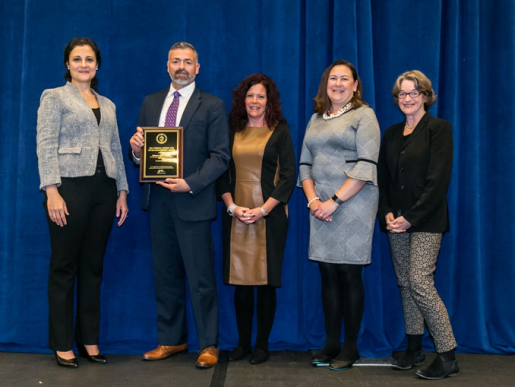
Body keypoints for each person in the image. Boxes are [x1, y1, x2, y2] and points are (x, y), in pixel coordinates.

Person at [129, 42, 230, 368]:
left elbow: (221, 157)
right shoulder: (151, 102)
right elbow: (143, 153)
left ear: (197, 68)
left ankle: (209, 344)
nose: (182, 67)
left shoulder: (212, 105)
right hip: (158, 202)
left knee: (200, 277)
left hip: (193, 200)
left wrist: (192, 183)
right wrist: (135, 150)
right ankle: (171, 340)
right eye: (176, 61)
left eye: (188, 62)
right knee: (165, 274)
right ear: (167, 65)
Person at [36, 38, 129, 368]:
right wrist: (51, 191)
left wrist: (122, 192)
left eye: (89, 59)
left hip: (104, 191)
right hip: (68, 189)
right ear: (67, 64)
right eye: (77, 59)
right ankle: (62, 343)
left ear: (97, 65)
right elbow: (45, 146)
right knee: (64, 267)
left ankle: (88, 339)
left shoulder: (109, 104)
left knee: (93, 268)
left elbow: (116, 149)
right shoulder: (54, 97)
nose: (84, 64)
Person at [299, 60, 380, 370]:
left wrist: (332, 202)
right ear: (326, 84)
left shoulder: (365, 115)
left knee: (348, 273)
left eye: (345, 79)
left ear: (355, 85)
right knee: (327, 273)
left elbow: (366, 165)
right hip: (319, 206)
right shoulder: (315, 118)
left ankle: (351, 346)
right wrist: (313, 202)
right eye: (333, 78)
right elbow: (305, 164)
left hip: (353, 203)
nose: (338, 84)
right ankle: (331, 342)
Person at [378, 70, 458, 380]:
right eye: (402, 94)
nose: (408, 99)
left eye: (414, 93)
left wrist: (410, 216)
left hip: (426, 220)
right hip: (395, 223)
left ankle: (448, 355)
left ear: (425, 95)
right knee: (405, 283)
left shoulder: (439, 129)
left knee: (420, 283)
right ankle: (413, 348)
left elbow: (437, 181)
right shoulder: (392, 133)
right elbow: (383, 179)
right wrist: (386, 213)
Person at [217, 74, 296, 364]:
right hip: (235, 214)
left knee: (265, 282)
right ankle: (242, 343)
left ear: (269, 101)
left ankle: (262, 345)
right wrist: (232, 207)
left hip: (269, 216)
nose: (255, 101)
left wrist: (263, 209)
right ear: (242, 99)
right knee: (240, 282)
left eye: (260, 96)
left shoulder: (280, 130)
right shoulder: (231, 129)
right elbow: (222, 174)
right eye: (250, 96)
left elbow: (289, 177)